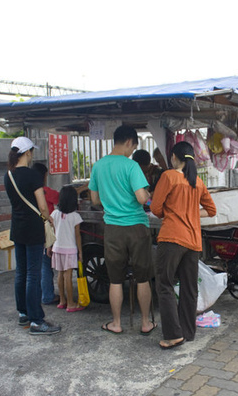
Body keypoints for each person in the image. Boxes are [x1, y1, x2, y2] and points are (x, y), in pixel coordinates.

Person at [88, 125, 156, 335]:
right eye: (133, 146)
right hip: (136, 227)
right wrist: (147, 191)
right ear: (129, 142)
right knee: (142, 277)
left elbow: (95, 199)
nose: (132, 151)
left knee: (115, 279)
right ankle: (145, 322)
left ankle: (116, 323)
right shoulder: (132, 166)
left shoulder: (98, 166)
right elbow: (142, 198)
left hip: (113, 229)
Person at [150, 141, 217, 349]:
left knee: (165, 285)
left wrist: (172, 214)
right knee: (189, 288)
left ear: (174, 158)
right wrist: (190, 213)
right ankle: (187, 332)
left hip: (171, 238)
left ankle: (172, 335)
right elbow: (211, 210)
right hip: (193, 241)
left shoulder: (169, 176)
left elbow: (155, 208)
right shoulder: (197, 181)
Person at [4, 137, 61, 336]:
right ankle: (37, 320)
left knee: (21, 272)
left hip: (17, 229)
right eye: (31, 152)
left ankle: (23, 313)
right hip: (34, 229)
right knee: (33, 274)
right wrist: (50, 219)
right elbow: (42, 206)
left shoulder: (8, 175)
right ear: (27, 153)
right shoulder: (32, 176)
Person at [51, 186, 85, 312]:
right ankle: (71, 303)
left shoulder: (55, 214)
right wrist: (80, 252)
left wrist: (50, 246)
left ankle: (62, 301)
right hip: (70, 249)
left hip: (57, 247)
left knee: (60, 274)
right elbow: (77, 236)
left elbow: (53, 231)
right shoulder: (75, 216)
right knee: (68, 276)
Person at [31, 163, 61, 305]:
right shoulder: (44, 191)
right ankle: (48, 296)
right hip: (44, 231)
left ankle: (39, 294)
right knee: (46, 266)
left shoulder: (28, 190)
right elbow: (62, 198)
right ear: (43, 176)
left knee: (36, 266)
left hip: (32, 230)